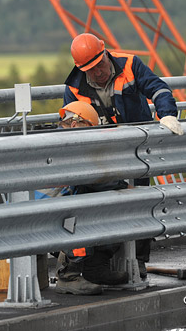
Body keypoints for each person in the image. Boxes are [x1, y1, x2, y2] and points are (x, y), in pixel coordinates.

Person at [62, 33, 184, 282]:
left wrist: (167, 114)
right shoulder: (74, 87)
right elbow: (71, 125)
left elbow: (158, 88)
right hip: (101, 155)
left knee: (141, 204)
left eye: (100, 65)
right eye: (91, 70)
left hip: (137, 149)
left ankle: (137, 262)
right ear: (81, 68)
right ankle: (99, 266)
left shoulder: (130, 65)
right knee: (101, 206)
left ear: (105, 52)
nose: (98, 73)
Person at [54, 101, 129, 296]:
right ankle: (67, 276)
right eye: (90, 128)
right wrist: (124, 186)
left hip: (46, 210)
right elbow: (95, 179)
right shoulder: (68, 145)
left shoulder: (54, 139)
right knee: (90, 210)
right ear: (75, 123)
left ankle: (95, 269)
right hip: (50, 215)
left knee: (96, 204)